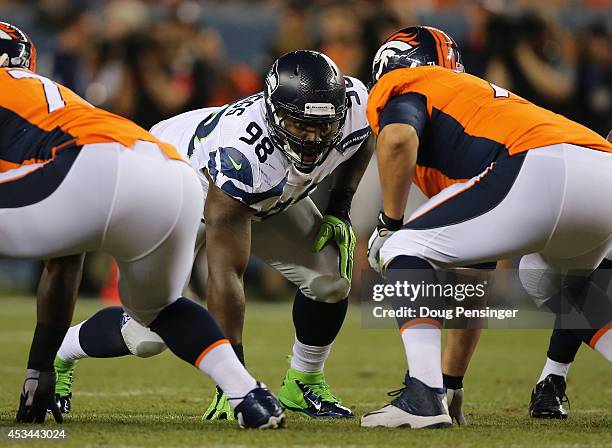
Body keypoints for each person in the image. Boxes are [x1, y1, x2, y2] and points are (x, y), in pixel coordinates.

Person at [50, 50, 373, 420]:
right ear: (274, 115)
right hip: (173, 191)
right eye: (301, 126)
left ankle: (303, 382)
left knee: (331, 278)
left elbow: (363, 138)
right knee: (148, 336)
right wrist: (233, 383)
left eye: (324, 127)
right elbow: (226, 274)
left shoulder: (354, 106)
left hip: (264, 191)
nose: (314, 139)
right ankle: (60, 352)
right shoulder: (243, 154)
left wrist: (340, 207)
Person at [0, 21, 284, 429]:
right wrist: (39, 368)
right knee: (158, 311)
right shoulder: (55, 97)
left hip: (88, 165)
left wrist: (37, 368)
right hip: (167, 171)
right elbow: (62, 261)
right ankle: (247, 394)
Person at [363, 25, 612, 429]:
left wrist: (390, 223)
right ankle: (436, 387)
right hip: (599, 167)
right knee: (551, 283)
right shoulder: (473, 106)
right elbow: (471, 281)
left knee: (400, 247)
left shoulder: (409, 83)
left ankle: (421, 397)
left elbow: (396, 140)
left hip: (538, 165)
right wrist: (452, 383)